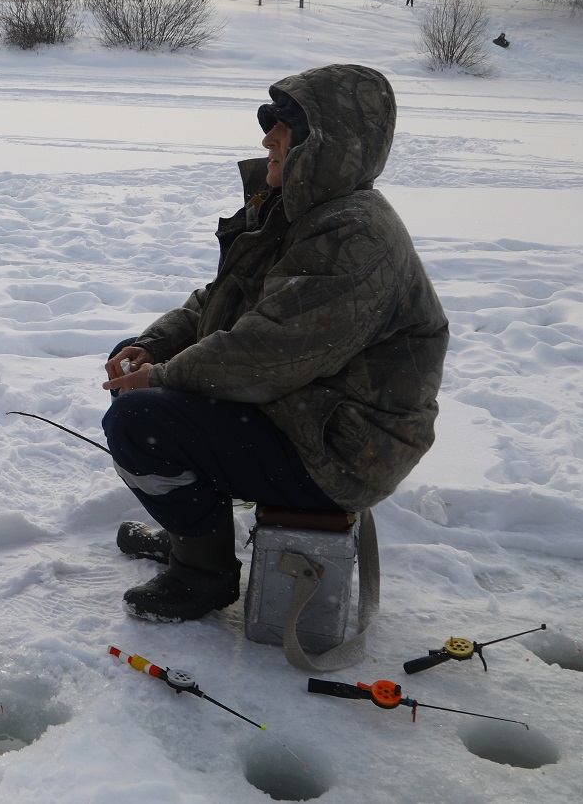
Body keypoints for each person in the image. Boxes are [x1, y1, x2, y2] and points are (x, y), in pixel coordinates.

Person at [100, 64, 448, 623]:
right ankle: (195, 537)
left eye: (281, 125)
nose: (267, 138)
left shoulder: (354, 235)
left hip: (342, 448)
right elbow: (223, 298)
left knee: (142, 418)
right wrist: (152, 345)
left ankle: (203, 575)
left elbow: (267, 352)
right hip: (306, 409)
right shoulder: (299, 211)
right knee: (137, 372)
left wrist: (159, 378)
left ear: (325, 141)